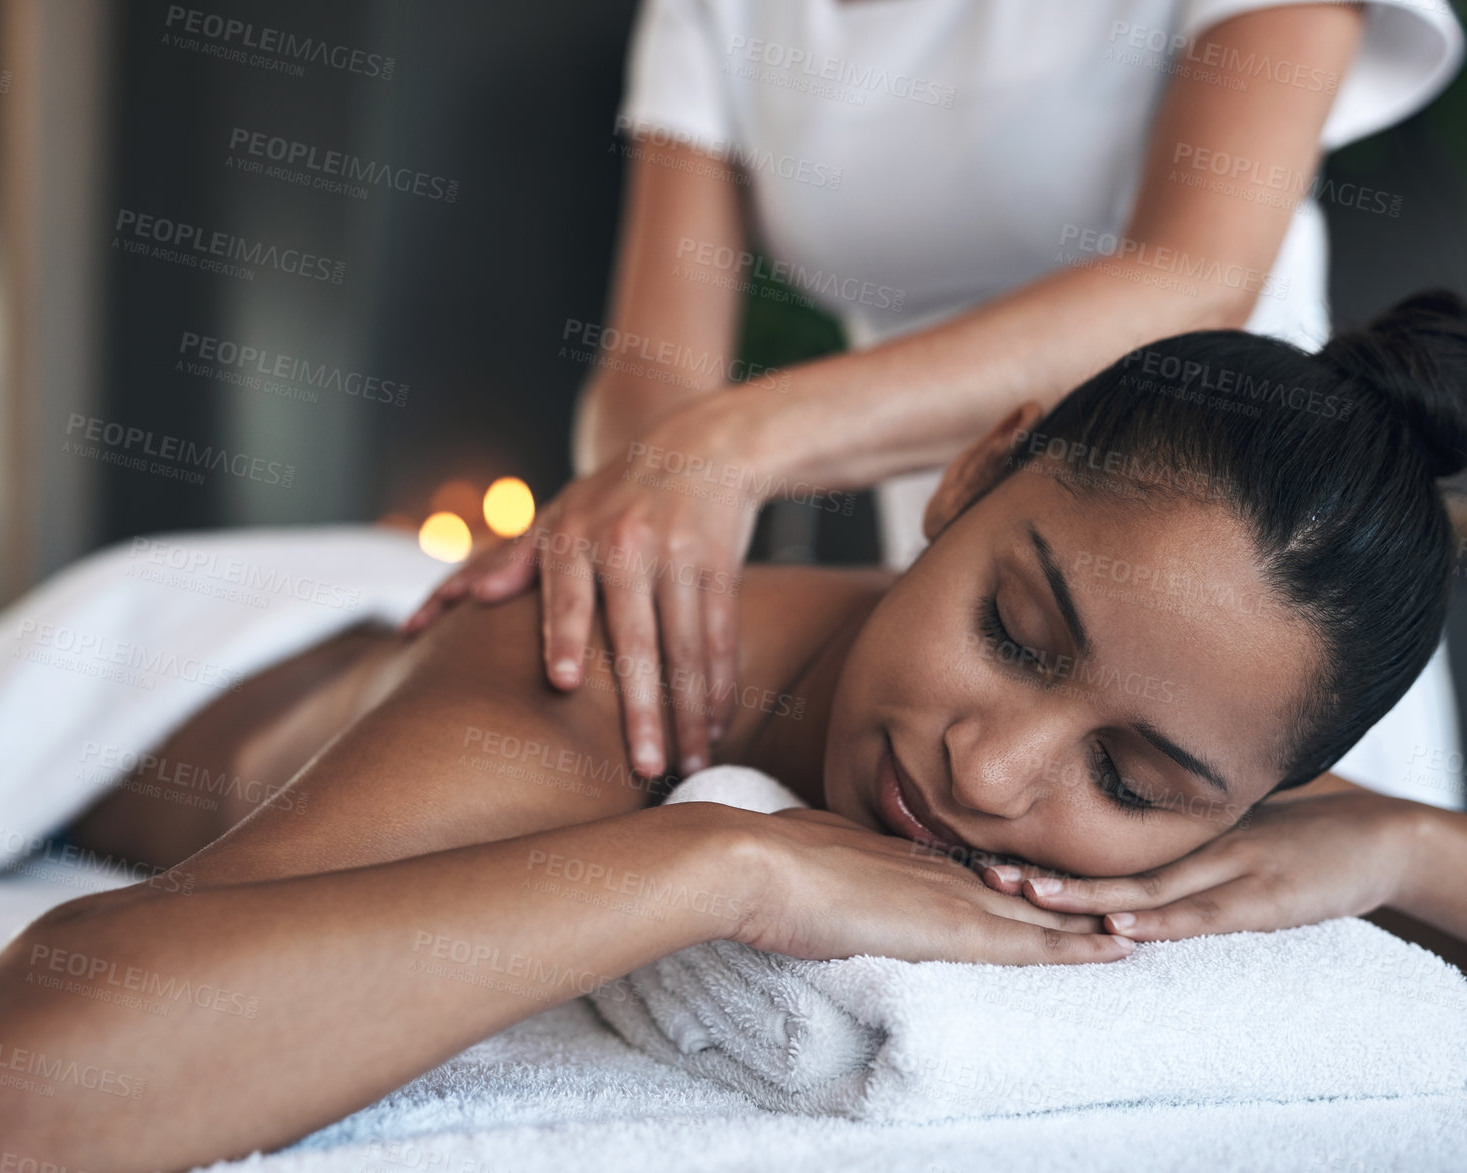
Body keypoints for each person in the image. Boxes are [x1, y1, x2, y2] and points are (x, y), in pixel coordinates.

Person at [0, 294, 1467, 1173]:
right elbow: (14, 1103)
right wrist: (724, 866)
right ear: (968, 477)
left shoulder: (1201, 723)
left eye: (1126, 781)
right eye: (1008, 628)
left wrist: (1395, 838)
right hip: (189, 659)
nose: (988, 773)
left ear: (1240, 798)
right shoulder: (592, 680)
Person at [406, 0, 1467, 805]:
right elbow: (651, 372)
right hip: (945, 595)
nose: (993, 773)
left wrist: (733, 444)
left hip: (1244, 584)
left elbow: (1191, 274)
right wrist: (638, 571)